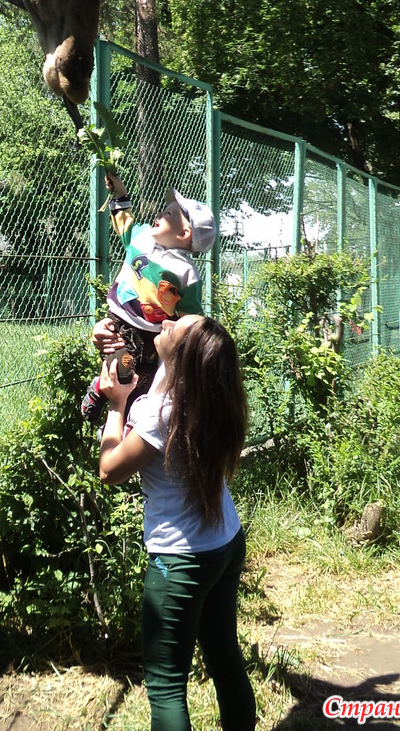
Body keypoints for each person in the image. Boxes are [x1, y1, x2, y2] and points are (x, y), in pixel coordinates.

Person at [97, 312, 255, 731]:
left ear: (183, 356)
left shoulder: (159, 414)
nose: (164, 325)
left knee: (166, 686)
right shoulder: (212, 399)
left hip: (180, 560)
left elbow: (110, 470)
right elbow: (156, 376)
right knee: (224, 656)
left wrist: (116, 405)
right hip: (226, 542)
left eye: (174, 329)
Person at [80, 173, 216, 423]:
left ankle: (128, 426)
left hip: (152, 333)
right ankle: (100, 389)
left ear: (185, 233)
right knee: (122, 364)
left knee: (142, 381)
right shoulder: (142, 237)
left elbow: (189, 315)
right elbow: (124, 222)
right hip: (119, 319)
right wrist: (120, 192)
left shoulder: (186, 273)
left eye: (169, 214)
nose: (160, 214)